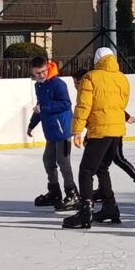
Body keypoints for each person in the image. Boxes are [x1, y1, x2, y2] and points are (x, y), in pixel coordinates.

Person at [63, 45, 135, 229]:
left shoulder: (91, 77)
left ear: (96, 60)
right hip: (116, 130)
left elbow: (84, 105)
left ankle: (85, 211)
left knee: (86, 171)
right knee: (102, 168)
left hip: (100, 130)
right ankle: (110, 207)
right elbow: (122, 103)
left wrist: (77, 130)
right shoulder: (122, 78)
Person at [26, 60, 77, 207]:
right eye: (37, 73)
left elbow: (65, 104)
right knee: (48, 160)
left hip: (63, 130)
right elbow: (39, 107)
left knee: (63, 162)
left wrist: (44, 107)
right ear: (33, 73)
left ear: (48, 68)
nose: (41, 75)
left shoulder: (58, 84)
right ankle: (54, 192)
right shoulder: (39, 85)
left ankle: (72, 193)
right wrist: (31, 125)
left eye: (43, 71)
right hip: (51, 131)